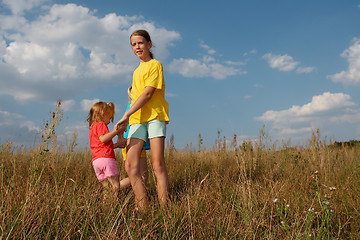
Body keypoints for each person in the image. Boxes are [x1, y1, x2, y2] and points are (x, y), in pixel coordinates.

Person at [115, 29, 170, 210]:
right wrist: (127, 117)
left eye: (140, 43)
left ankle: (164, 208)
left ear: (149, 44)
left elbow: (147, 94)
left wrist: (126, 115)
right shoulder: (136, 71)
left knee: (157, 164)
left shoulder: (155, 65)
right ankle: (143, 206)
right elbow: (136, 96)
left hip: (154, 117)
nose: (137, 47)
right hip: (137, 120)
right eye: (133, 44)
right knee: (131, 166)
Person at [87, 101, 126, 201]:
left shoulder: (92, 128)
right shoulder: (101, 125)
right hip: (106, 159)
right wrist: (116, 131)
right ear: (104, 114)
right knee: (115, 185)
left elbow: (103, 145)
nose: (110, 121)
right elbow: (103, 139)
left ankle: (105, 208)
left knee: (107, 188)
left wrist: (117, 145)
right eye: (110, 117)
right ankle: (113, 205)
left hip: (96, 161)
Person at [117, 86, 150, 189]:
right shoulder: (132, 106)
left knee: (143, 176)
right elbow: (123, 125)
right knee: (138, 175)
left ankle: (137, 199)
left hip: (140, 144)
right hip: (131, 142)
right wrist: (121, 138)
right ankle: (114, 188)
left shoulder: (140, 106)